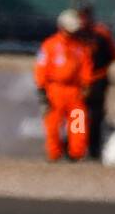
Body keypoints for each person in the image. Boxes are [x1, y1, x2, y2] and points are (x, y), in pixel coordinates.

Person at [34, 10, 95, 161]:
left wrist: (87, 85)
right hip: (54, 89)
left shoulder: (81, 48)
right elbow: (41, 67)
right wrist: (41, 89)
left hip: (75, 90)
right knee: (53, 125)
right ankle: (54, 154)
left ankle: (76, 153)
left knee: (78, 123)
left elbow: (86, 67)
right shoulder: (50, 45)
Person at [78, 4, 115, 160]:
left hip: (97, 81)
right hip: (80, 82)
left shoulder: (101, 34)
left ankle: (94, 150)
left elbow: (113, 55)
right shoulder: (76, 34)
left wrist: (98, 74)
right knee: (78, 115)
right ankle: (77, 149)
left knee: (96, 117)